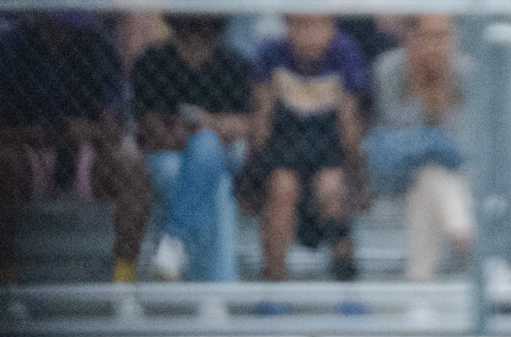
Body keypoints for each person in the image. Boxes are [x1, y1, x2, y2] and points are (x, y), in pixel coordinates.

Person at [0, 13, 152, 284]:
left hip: (86, 151)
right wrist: (34, 133)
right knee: (4, 162)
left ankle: (124, 278)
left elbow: (115, 127)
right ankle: (6, 278)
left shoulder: (97, 44)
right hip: (27, 150)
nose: (62, 34)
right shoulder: (11, 45)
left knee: (130, 162)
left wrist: (85, 130)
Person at [243, 13, 367, 282]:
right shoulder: (271, 53)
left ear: (332, 26)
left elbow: (349, 124)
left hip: (327, 148)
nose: (310, 36)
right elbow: (262, 120)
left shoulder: (345, 53)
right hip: (284, 147)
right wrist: (254, 173)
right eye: (301, 25)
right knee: (282, 186)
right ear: (288, 26)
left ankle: (346, 282)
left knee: (332, 187)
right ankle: (274, 282)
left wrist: (356, 175)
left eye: (319, 25)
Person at [132, 13, 254, 283]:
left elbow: (249, 124)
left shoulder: (234, 63)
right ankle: (216, 294)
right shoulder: (153, 61)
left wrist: (208, 124)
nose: (197, 32)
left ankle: (173, 240)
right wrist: (195, 133)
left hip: (226, 153)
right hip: (168, 155)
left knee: (207, 144)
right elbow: (150, 127)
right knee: (216, 188)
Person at [365, 13, 473, 280]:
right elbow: (392, 135)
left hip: (447, 174)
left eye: (444, 36)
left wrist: (441, 90)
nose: (437, 45)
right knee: (430, 170)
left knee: (429, 178)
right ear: (410, 38)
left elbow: (464, 141)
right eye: (429, 36)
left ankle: (420, 284)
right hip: (395, 172)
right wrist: (421, 87)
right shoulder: (388, 69)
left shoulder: (465, 71)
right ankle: (462, 230)